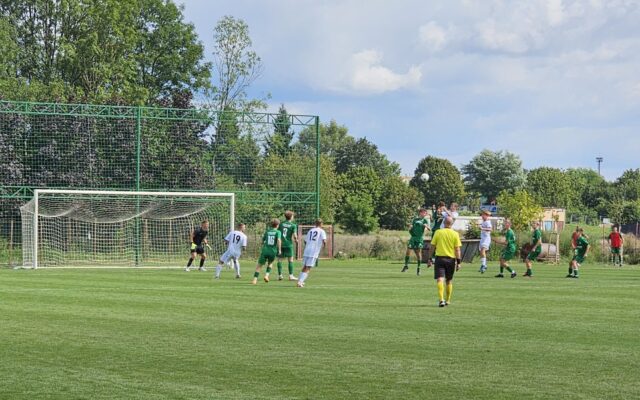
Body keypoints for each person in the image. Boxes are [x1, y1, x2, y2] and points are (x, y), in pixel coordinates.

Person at [427, 217, 462, 307]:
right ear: (451, 224)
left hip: (440, 259)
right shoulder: (455, 234)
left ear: (443, 223)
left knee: (440, 279)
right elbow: (457, 249)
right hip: (451, 260)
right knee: (449, 280)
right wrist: (458, 262)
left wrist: (430, 258)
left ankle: (441, 299)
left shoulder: (438, 232)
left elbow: (432, 246)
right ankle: (448, 300)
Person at [297, 219, 327, 288]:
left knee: (304, 266)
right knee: (308, 268)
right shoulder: (322, 231)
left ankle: (300, 280)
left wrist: (308, 245)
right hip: (313, 251)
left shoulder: (311, 230)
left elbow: (305, 241)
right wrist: (324, 247)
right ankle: (300, 282)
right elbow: (324, 241)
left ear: (315, 223)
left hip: (307, 250)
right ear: (321, 224)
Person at [251, 219, 282, 285]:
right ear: (277, 225)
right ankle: (266, 275)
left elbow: (263, 241)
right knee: (270, 263)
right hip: (273, 251)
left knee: (259, 265)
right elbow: (279, 240)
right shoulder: (278, 232)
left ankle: (254, 280)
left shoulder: (267, 231)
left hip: (265, 250)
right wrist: (279, 250)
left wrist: (262, 246)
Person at [402, 207, 430, 276]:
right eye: (424, 212)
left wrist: (426, 226)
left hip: (419, 238)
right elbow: (411, 226)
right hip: (413, 238)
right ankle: (406, 265)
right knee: (408, 251)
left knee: (418, 254)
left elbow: (429, 229)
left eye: (426, 213)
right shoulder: (415, 219)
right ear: (420, 213)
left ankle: (418, 268)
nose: (425, 214)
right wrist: (410, 226)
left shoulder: (425, 220)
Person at [277, 211, 299, 281]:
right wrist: (296, 240)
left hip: (281, 244)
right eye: (293, 216)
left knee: (280, 259)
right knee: (290, 260)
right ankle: (291, 276)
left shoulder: (281, 224)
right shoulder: (293, 225)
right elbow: (295, 235)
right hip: (288, 244)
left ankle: (280, 275)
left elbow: (277, 232)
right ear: (291, 217)